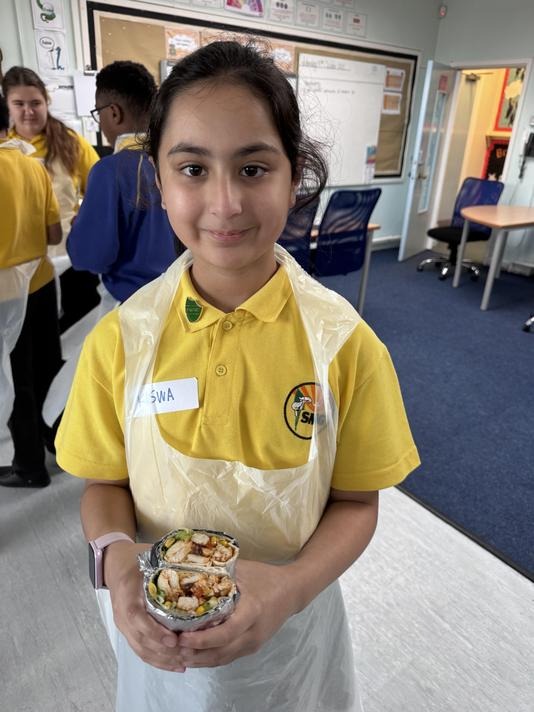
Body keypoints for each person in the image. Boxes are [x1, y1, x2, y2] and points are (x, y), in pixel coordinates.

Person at [56, 40, 420, 711]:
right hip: (159, 646)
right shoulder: (122, 341)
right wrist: (116, 560)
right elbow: (104, 483)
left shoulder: (344, 346)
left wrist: (290, 588)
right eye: (193, 169)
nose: (224, 203)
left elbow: (356, 503)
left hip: (292, 641)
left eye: (253, 168)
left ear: (294, 176)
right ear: (158, 180)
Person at [66, 60, 179, 305]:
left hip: (133, 303)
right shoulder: (181, 160)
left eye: (98, 114)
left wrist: (80, 228)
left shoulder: (110, 171)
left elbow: (90, 257)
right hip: (183, 297)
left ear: (113, 112)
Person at [2, 66, 100, 332]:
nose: (28, 111)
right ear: (7, 106)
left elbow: (99, 192)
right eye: (19, 104)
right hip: (19, 274)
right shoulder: (5, 151)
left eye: (36, 103)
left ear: (47, 102)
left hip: (71, 260)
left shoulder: (71, 143)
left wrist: (86, 223)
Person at [0, 93, 62, 488]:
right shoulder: (32, 165)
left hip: (3, 298)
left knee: (15, 380)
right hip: (39, 283)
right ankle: (59, 442)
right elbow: (54, 234)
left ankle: (29, 466)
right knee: (47, 368)